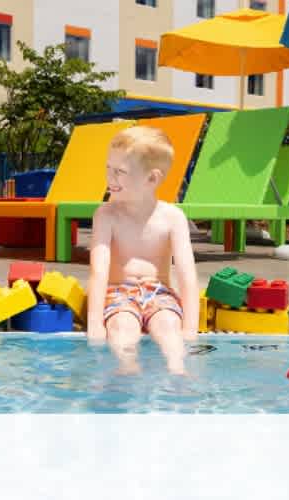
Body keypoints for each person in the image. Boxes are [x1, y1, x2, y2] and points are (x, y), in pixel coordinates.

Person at [85, 126, 199, 375]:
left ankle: (178, 374)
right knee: (122, 326)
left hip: (159, 292)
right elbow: (98, 271)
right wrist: (94, 323)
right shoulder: (106, 215)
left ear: (152, 178)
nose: (110, 178)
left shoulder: (173, 217)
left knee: (168, 325)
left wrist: (191, 328)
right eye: (108, 168)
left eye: (120, 172)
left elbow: (187, 275)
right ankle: (128, 372)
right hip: (119, 293)